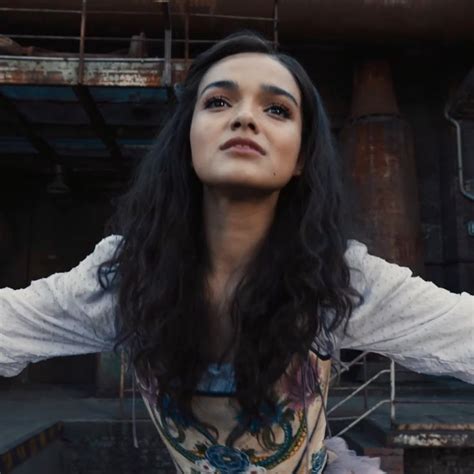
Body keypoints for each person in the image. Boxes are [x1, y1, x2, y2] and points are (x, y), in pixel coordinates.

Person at [0, 31, 472, 474]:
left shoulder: (336, 275)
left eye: (277, 110)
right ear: (187, 139)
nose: (244, 117)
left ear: (301, 157)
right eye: (219, 102)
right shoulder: (125, 275)